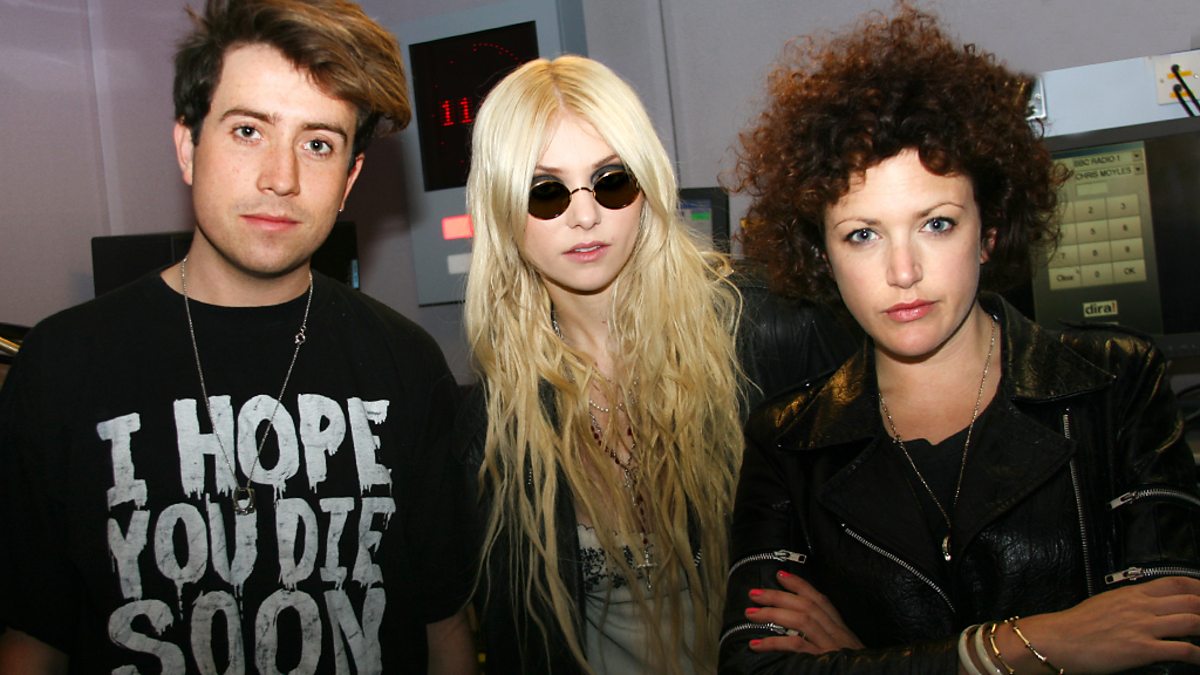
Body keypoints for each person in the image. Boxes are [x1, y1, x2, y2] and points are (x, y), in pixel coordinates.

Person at [720, 5, 1200, 674]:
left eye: (937, 224)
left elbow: (1171, 644)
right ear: (823, 258)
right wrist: (1030, 644)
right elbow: (757, 668)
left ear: (989, 231)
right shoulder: (788, 439)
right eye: (863, 234)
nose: (903, 271)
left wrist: (867, 661)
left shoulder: (1117, 383)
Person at [0, 1, 476, 672]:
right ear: (187, 147)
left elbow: (444, 626)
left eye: (318, 143)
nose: (281, 177)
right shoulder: (62, 365)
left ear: (350, 179)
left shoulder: (406, 365)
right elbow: (33, 636)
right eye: (249, 130)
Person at [457, 55, 849, 674]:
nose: (585, 215)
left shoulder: (767, 332)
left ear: (647, 186)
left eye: (611, 180)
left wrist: (861, 640)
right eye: (544, 191)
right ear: (501, 209)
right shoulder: (496, 421)